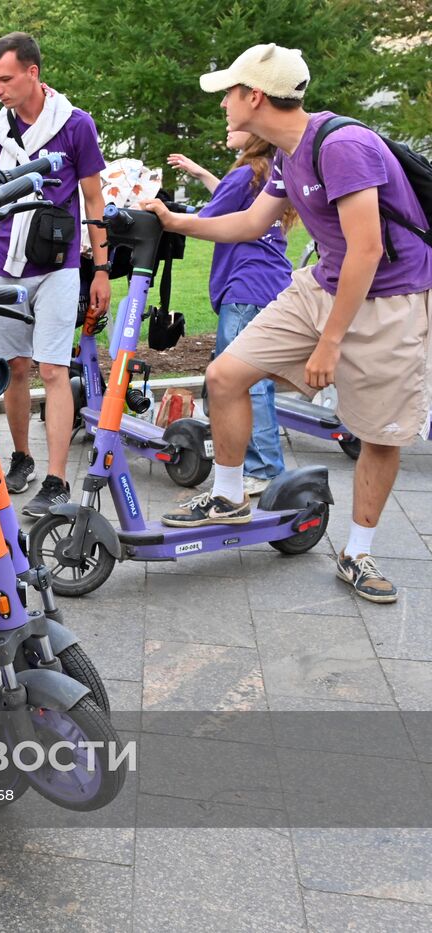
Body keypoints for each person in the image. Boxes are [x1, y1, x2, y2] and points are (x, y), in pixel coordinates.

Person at [142, 43, 432, 603]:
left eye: (228, 92)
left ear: (254, 96)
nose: (223, 103)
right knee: (225, 376)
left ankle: (358, 553)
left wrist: (329, 343)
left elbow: (367, 251)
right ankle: (228, 495)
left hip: (390, 299)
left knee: (379, 434)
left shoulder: (341, 146)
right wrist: (177, 220)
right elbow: (251, 223)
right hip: (324, 284)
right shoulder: (286, 154)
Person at [0, 32, 111, 518]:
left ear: (33, 72)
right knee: (13, 369)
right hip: (4, 268)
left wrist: (102, 268)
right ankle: (22, 458)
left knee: (52, 369)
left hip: (59, 265)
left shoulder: (75, 126)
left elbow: (94, 200)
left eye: (6, 79)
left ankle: (56, 479)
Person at [167, 133, 300, 499]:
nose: (226, 123)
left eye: (232, 119)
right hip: (270, 282)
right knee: (255, 380)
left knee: (245, 383)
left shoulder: (246, 175)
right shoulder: (269, 171)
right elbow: (235, 206)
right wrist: (202, 174)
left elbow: (210, 220)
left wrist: (162, 215)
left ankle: (263, 469)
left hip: (244, 287)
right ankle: (263, 464)